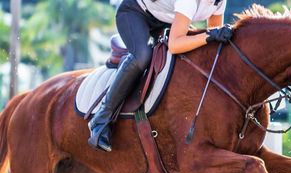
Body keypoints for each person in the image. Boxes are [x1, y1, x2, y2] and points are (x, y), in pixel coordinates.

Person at [88, 0, 233, 152]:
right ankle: (101, 119)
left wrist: (217, 36)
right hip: (135, 13)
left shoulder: (220, 2)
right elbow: (175, 45)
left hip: (165, 21)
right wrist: (210, 35)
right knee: (142, 57)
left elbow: (213, 38)